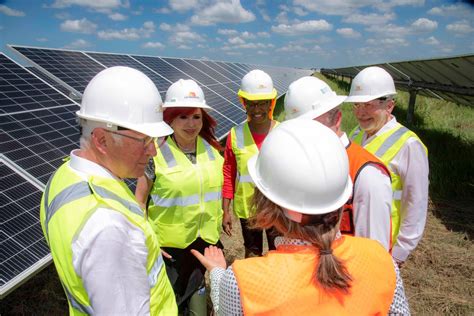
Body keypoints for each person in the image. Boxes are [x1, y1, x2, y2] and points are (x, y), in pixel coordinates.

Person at [191, 120, 410, 315]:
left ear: (267, 206)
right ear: (342, 201)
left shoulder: (244, 282)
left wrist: (218, 273)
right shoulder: (381, 260)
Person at [39, 66, 177, 315]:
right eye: (145, 140)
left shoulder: (64, 176)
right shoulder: (108, 227)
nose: (154, 151)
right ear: (102, 140)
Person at [135, 79, 224, 315]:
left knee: (195, 294)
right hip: (169, 249)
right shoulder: (155, 152)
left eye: (196, 116)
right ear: (170, 118)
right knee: (168, 300)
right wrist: (148, 240)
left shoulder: (212, 151)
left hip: (204, 241)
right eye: (182, 117)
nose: (191, 124)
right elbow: (139, 202)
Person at [284, 76, 392, 250]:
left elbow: (374, 252)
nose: (303, 136)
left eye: (312, 127)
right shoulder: (306, 163)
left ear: (337, 119)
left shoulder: (367, 174)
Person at [346, 66, 429, 266]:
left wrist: (400, 252)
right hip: (351, 240)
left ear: (389, 105)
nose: (361, 112)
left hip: (383, 244)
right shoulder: (355, 134)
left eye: (368, 105)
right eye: (357, 105)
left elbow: (415, 203)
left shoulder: (409, 145)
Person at [222, 69, 279, 257]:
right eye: (252, 104)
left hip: (277, 208)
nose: (257, 110)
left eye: (262, 104)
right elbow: (229, 173)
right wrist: (225, 210)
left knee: (278, 254)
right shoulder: (235, 135)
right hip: (248, 209)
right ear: (244, 104)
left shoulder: (283, 133)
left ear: (270, 104)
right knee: (252, 255)